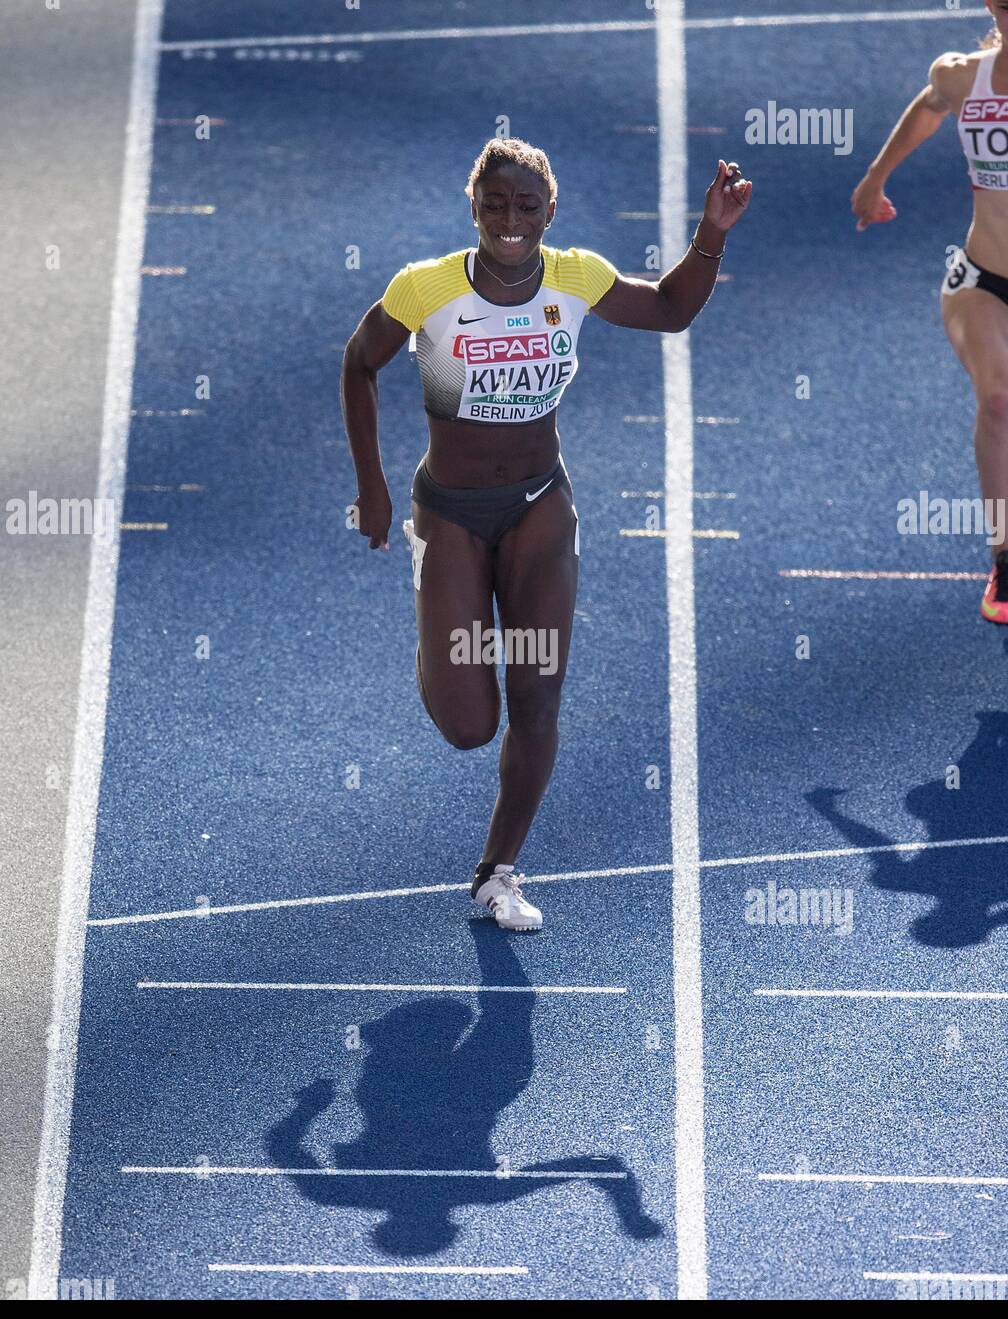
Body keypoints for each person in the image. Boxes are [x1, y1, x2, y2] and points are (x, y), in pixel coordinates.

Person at [341, 137, 751, 930]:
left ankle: (499, 870)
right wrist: (372, 486)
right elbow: (361, 362)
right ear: (474, 207)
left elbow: (669, 310)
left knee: (536, 696)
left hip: (538, 508)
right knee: (470, 724)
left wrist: (713, 233)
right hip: (453, 512)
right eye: (495, 204)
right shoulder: (427, 289)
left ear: (549, 211)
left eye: (527, 206)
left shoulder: (574, 278)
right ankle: (440, 637)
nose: (510, 219)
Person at [852, 2, 1008, 621]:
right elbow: (928, 106)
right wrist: (875, 178)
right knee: (998, 401)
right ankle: (1004, 559)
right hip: (981, 278)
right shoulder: (961, 75)